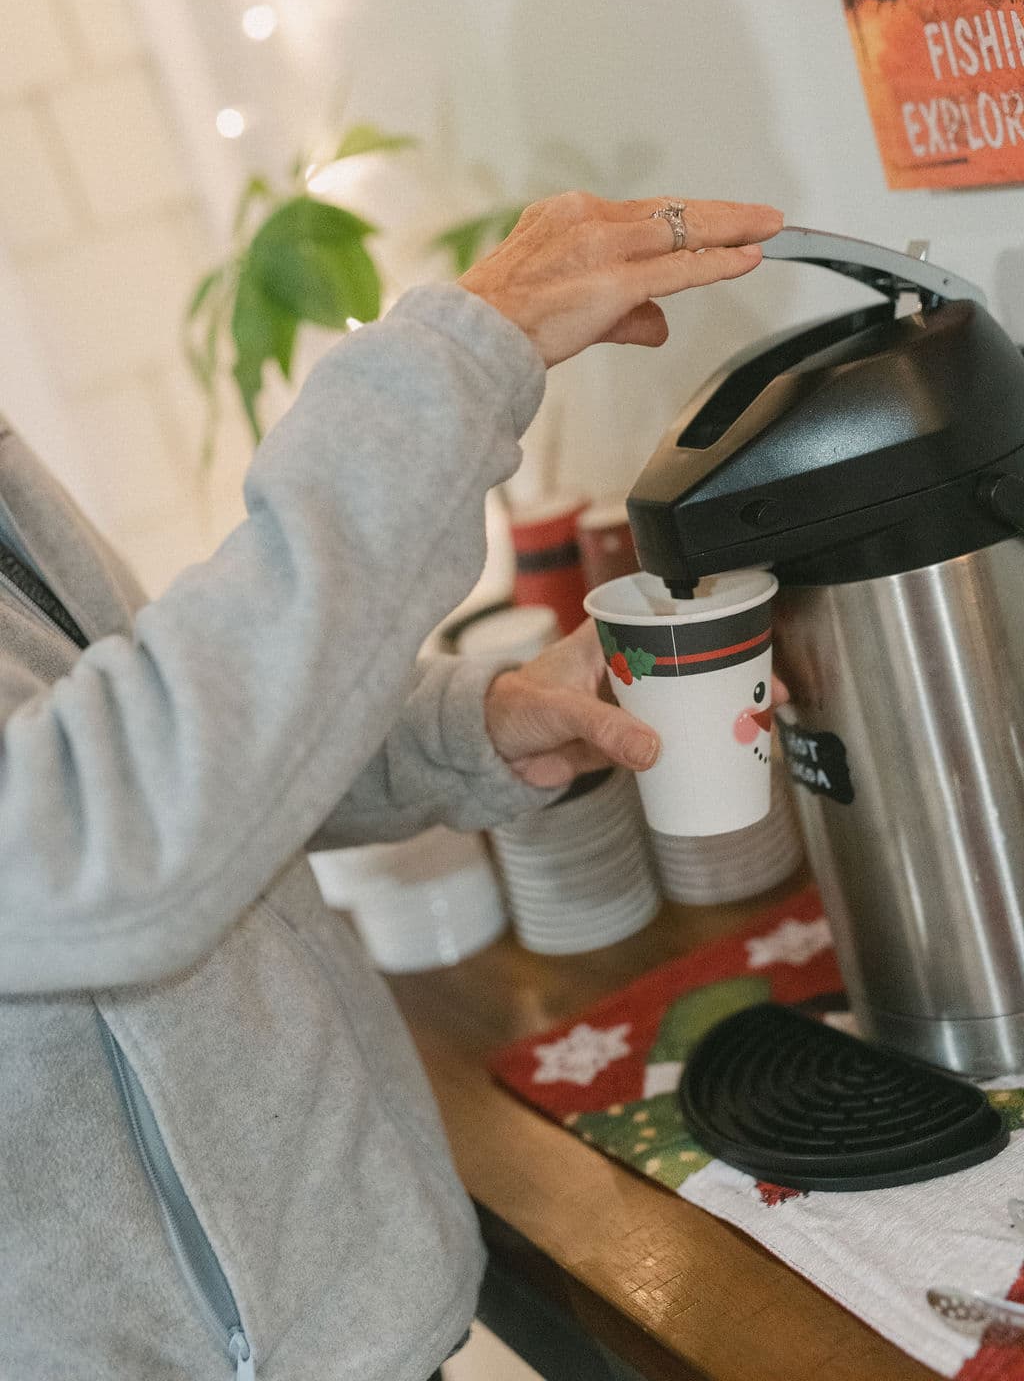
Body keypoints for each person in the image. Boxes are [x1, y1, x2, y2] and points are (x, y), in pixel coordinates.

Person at [0, 190, 782, 1381]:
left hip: (341, 1307)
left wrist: (464, 727)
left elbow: (162, 740)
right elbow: (94, 847)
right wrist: (459, 359)